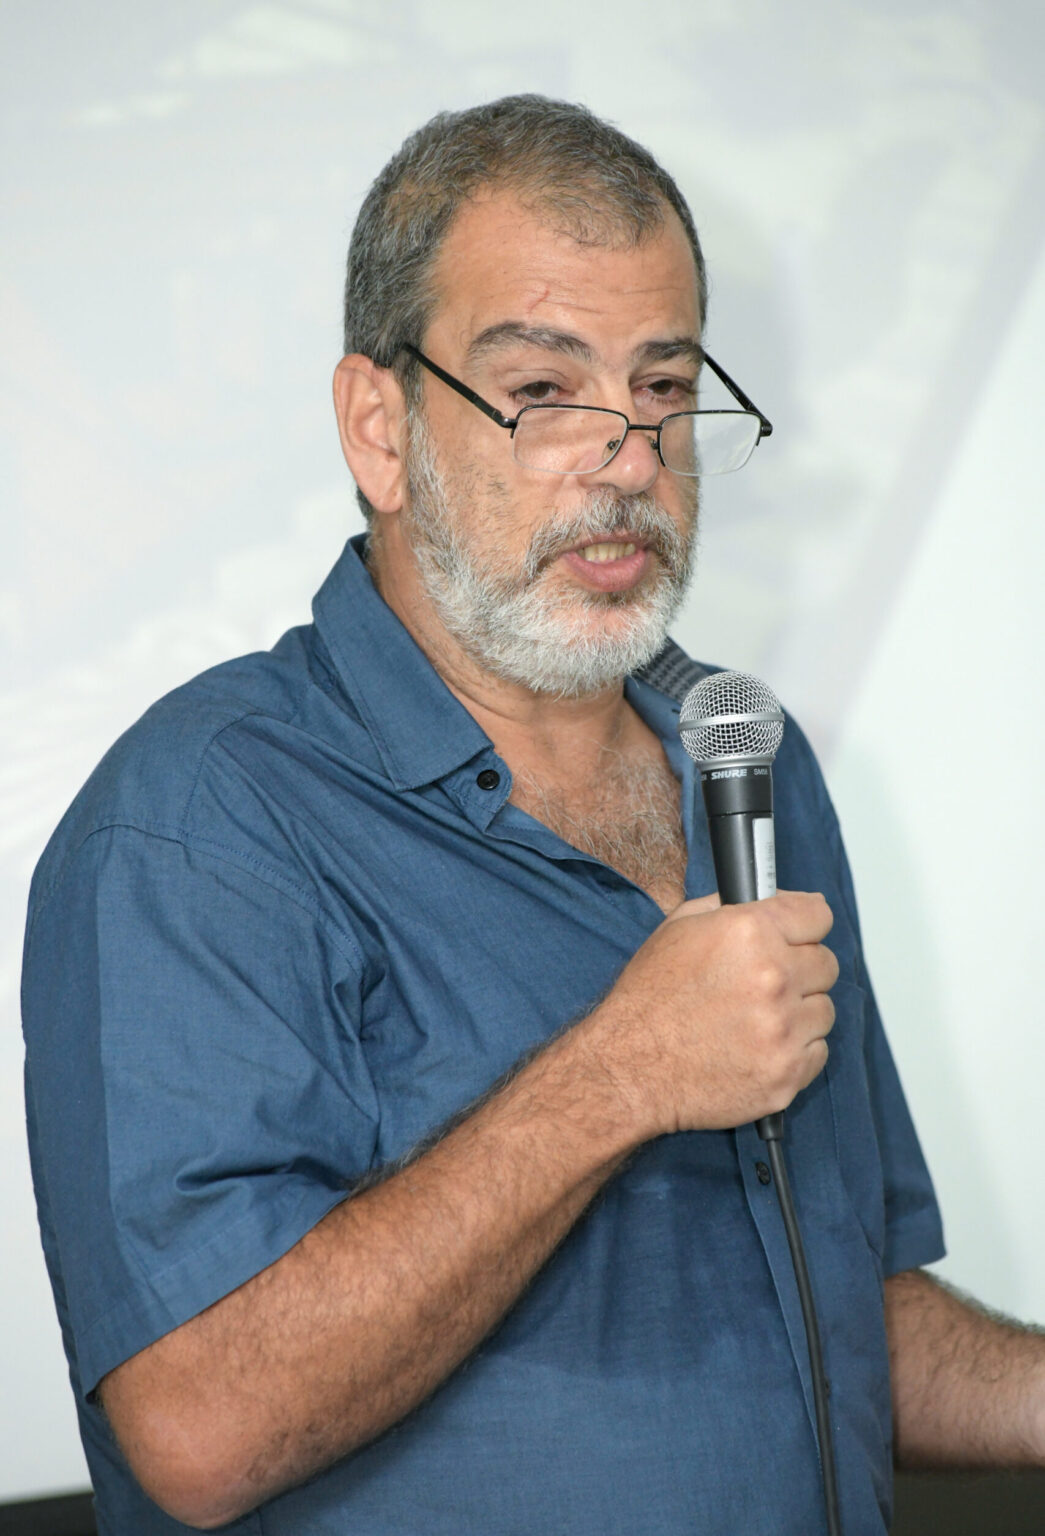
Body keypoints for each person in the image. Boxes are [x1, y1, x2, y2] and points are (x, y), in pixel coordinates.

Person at [22, 96, 1044, 1536]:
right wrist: (618, 1077)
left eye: (662, 385)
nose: (627, 457)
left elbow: (838, 1324)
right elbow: (196, 1426)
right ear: (379, 429)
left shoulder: (744, 763)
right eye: (544, 390)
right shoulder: (202, 820)